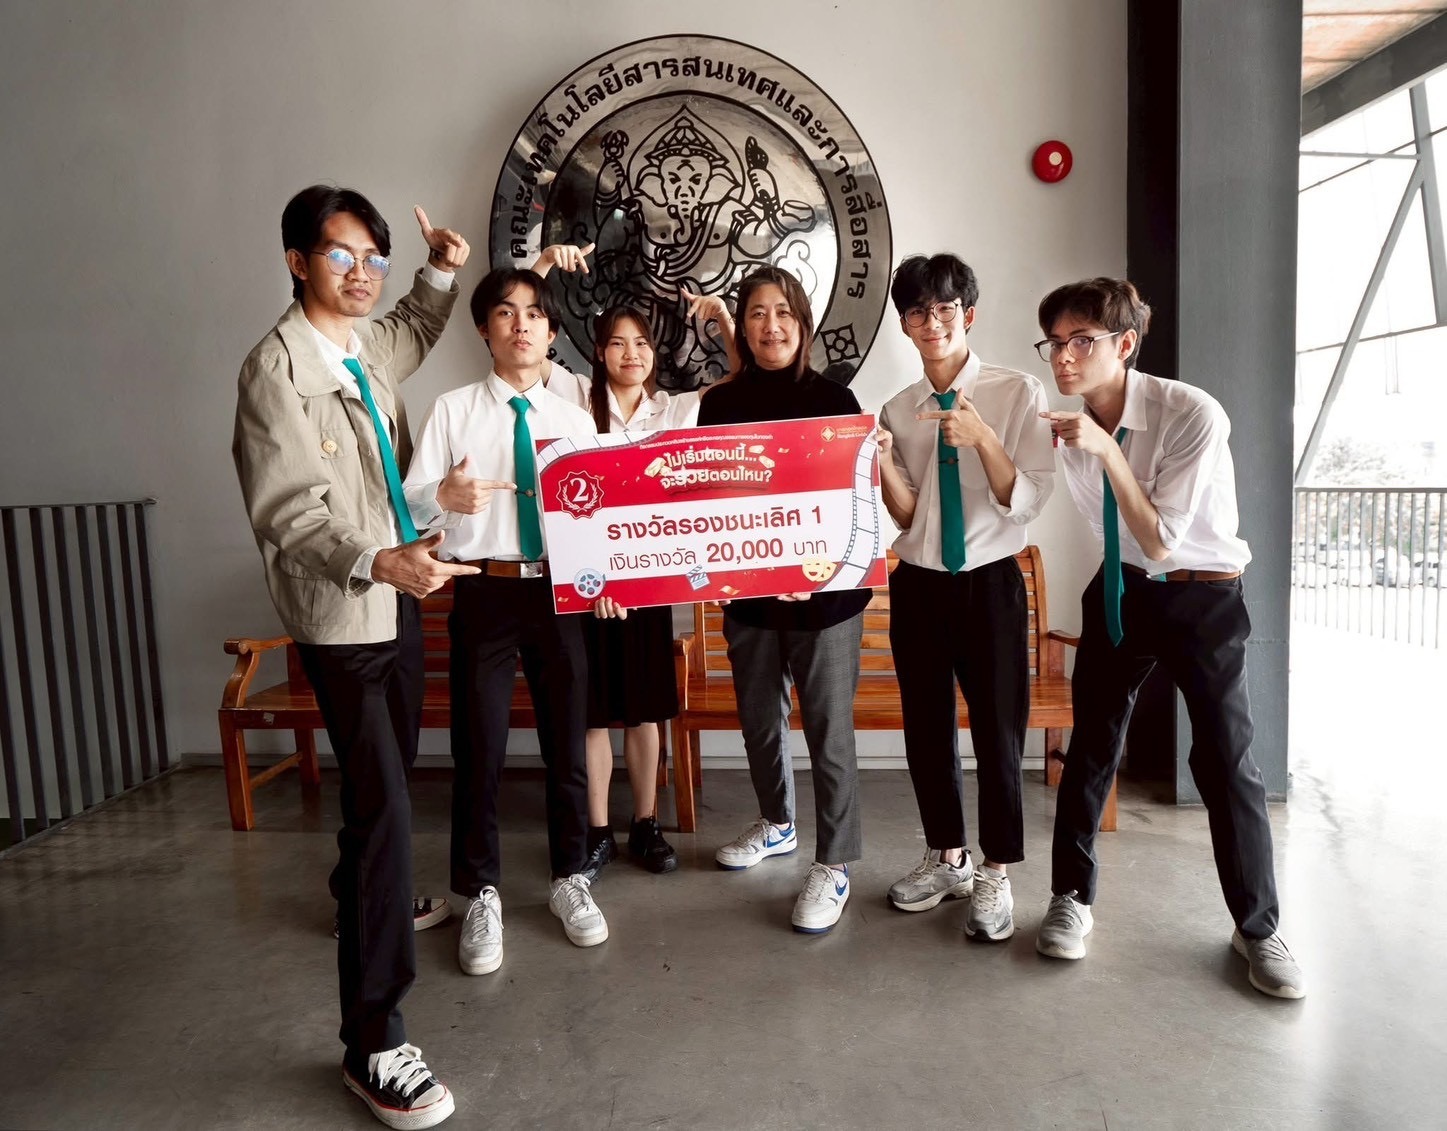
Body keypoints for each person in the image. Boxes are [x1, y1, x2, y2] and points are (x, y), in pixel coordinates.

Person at [233, 184, 472, 1129]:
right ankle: (373, 1041)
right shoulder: (274, 370)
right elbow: (289, 511)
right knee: (384, 814)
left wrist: (439, 270)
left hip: (397, 600)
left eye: (373, 257)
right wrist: (378, 560)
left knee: (388, 786)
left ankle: (356, 893)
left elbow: (412, 327)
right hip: (344, 615)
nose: (362, 272)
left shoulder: (362, 347)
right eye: (342, 255)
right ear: (297, 261)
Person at [1033, 277, 1305, 999]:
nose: (1063, 357)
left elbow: (1161, 540)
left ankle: (1258, 928)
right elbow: (1112, 537)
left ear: (1124, 344)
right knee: (1092, 744)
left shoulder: (1191, 413)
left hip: (1201, 592)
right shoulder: (1070, 431)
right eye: (1054, 343)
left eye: (1081, 340)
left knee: (1224, 758)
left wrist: (1105, 450)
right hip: (1122, 589)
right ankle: (1070, 897)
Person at [403, 266, 605, 980]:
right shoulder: (452, 410)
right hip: (483, 592)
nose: (522, 325)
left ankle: (569, 875)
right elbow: (410, 505)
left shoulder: (574, 420)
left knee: (567, 744)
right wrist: (442, 496)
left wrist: (606, 579)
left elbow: (599, 514)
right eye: (506, 313)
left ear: (551, 331)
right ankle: (479, 892)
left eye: (535, 314)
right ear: (484, 328)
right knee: (479, 746)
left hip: (558, 591)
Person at [875, 254, 1054, 941]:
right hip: (919, 584)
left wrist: (982, 438)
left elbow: (1025, 499)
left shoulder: (1016, 392)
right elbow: (907, 513)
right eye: (918, 311)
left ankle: (996, 871)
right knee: (926, 729)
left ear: (967, 315)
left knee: (998, 733)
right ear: (905, 325)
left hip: (990, 582)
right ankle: (947, 857)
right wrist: (882, 463)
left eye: (945, 308)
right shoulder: (898, 409)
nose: (933, 322)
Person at [698, 266, 872, 934]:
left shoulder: (835, 399)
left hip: (825, 601)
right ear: (741, 327)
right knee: (759, 720)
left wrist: (816, 571)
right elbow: (705, 502)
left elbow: (854, 507)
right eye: (757, 314)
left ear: (802, 322)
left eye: (783, 313)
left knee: (829, 731)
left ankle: (835, 862)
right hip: (749, 597)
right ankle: (777, 823)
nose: (771, 326)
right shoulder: (718, 405)